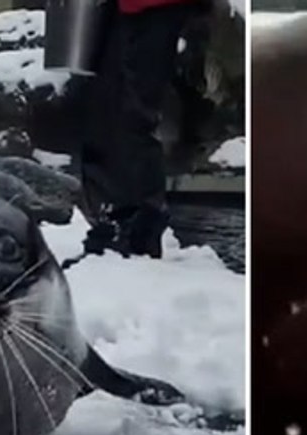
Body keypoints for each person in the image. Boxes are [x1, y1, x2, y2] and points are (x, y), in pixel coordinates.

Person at [79, 0, 202, 260]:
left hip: (158, 8)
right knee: (105, 108)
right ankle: (112, 220)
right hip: (121, 9)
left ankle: (139, 228)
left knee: (134, 112)